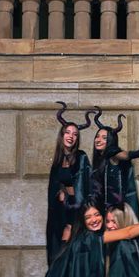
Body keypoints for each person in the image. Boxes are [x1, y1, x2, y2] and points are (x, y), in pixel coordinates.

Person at [46, 101, 93, 266]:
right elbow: (53, 187)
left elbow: (87, 184)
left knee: (72, 247)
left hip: (76, 210)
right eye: (68, 132)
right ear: (62, 135)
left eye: (75, 134)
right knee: (58, 248)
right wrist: (59, 191)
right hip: (60, 212)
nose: (71, 136)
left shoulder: (81, 157)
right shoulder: (57, 161)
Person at [92, 106, 139, 220]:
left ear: (111, 141)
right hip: (104, 212)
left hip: (118, 214)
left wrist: (138, 153)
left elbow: (122, 155)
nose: (99, 140)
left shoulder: (112, 154)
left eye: (104, 138)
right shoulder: (99, 161)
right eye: (97, 136)